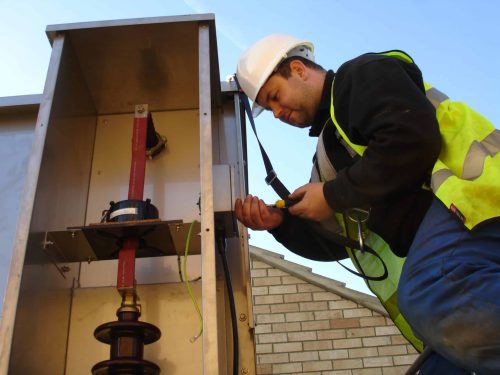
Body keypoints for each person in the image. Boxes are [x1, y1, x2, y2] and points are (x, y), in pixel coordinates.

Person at [234, 34, 500, 374]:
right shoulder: (331, 151)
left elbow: (411, 137)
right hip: (453, 232)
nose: (277, 113)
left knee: (430, 289)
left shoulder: (358, 76)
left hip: (475, 202)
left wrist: (331, 195)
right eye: (269, 109)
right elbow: (342, 240)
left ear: (298, 70)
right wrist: (280, 223)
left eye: (275, 97)